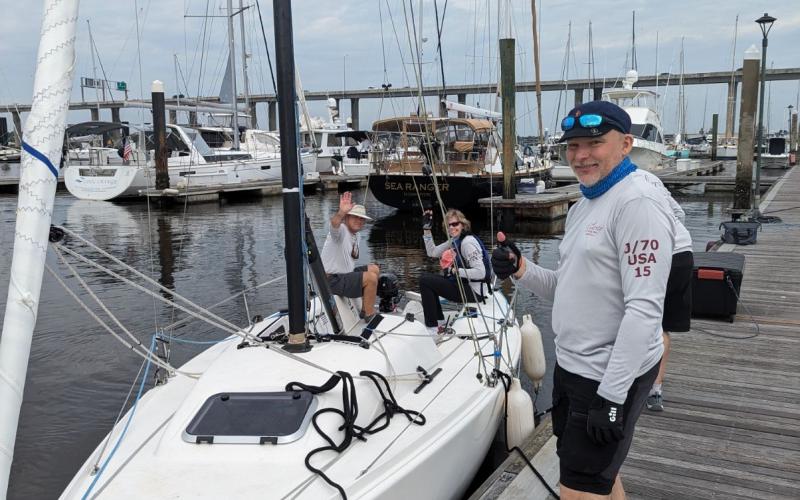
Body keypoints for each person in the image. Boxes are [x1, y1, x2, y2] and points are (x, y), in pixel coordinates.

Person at [491, 100, 677, 499]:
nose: (580, 155)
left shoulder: (637, 203)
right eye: (573, 145)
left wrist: (612, 397)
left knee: (580, 487)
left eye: (594, 143)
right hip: (574, 368)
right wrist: (521, 268)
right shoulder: (586, 202)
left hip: (606, 379)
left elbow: (645, 310)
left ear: (625, 144)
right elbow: (568, 288)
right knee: (599, 478)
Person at [634, 170, 694, 412]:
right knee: (663, 325)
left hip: (654, 254)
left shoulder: (616, 184)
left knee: (636, 317)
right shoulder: (651, 178)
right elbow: (679, 213)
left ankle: (630, 382)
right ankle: (655, 390)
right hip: (683, 250)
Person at [420, 208, 489, 335]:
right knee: (428, 279)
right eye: (448, 225)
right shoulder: (455, 240)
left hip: (474, 292)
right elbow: (432, 252)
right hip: (467, 286)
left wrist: (454, 271)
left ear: (463, 225)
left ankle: (432, 329)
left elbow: (481, 273)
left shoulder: (467, 243)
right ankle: (439, 322)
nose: (451, 228)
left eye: (455, 224)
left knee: (425, 281)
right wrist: (427, 230)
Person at [320, 191, 379, 321]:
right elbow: (334, 224)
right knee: (371, 278)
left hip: (345, 276)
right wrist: (341, 212)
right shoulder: (341, 230)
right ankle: (369, 315)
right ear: (347, 217)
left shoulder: (357, 235)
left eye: (361, 218)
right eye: (355, 217)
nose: (359, 220)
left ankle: (365, 309)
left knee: (374, 269)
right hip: (332, 280)